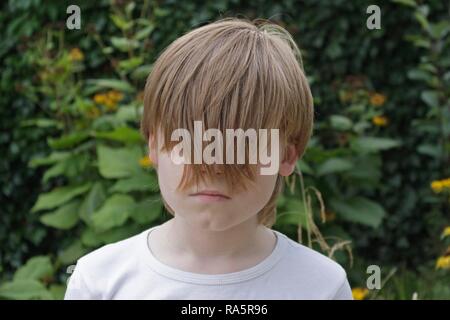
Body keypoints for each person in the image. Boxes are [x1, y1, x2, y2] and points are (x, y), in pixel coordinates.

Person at [64, 17, 353, 300]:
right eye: (187, 141)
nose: (213, 166)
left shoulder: (322, 287)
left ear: (286, 156)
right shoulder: (98, 282)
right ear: (154, 145)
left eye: (245, 145)